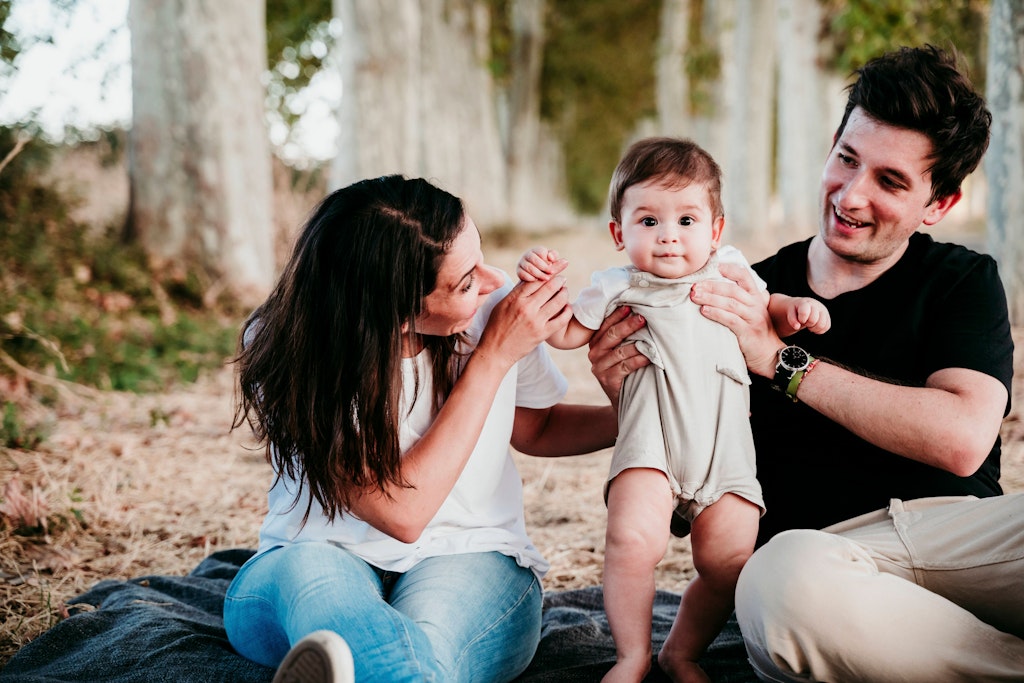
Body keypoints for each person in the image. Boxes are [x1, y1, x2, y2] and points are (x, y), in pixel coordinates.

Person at [589, 45, 1024, 682]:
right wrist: (624, 393)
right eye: (846, 159)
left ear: (940, 205)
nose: (851, 195)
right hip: (821, 570)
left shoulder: (962, 279)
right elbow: (686, 482)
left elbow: (961, 440)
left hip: (956, 539)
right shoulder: (729, 295)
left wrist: (781, 360)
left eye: (890, 181)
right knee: (779, 585)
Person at [224, 174, 620, 683]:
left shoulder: (489, 311)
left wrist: (634, 415)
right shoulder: (289, 344)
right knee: (326, 591)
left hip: (471, 554)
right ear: (393, 311)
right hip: (311, 555)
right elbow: (400, 511)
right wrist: (492, 358)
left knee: (420, 644)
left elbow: (535, 429)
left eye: (479, 256)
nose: (492, 281)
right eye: (463, 283)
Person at [517, 137, 830, 683]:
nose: (668, 235)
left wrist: (793, 309)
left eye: (686, 220)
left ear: (715, 230)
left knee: (729, 561)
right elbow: (567, 331)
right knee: (632, 540)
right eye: (648, 220)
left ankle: (680, 651)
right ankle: (632, 655)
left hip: (725, 446)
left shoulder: (729, 271)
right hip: (650, 440)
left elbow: (767, 312)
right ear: (619, 233)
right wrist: (543, 290)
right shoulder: (616, 287)